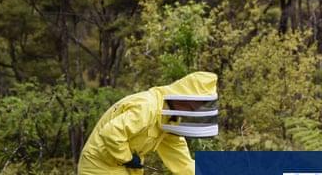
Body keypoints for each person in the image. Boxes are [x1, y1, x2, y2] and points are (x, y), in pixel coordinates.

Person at [78, 71, 219, 175]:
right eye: (197, 103)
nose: (196, 108)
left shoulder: (170, 120)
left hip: (123, 168)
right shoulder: (147, 107)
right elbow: (111, 133)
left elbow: (181, 160)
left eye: (202, 104)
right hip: (98, 165)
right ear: (185, 96)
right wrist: (127, 157)